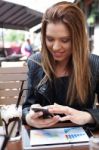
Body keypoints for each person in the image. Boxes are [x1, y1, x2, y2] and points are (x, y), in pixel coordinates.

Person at [22, 1, 99, 129]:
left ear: (78, 38)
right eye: (50, 39)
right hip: (43, 137)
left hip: (83, 139)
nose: (56, 47)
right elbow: (27, 107)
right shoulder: (35, 63)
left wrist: (87, 116)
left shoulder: (95, 65)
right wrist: (29, 118)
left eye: (65, 40)